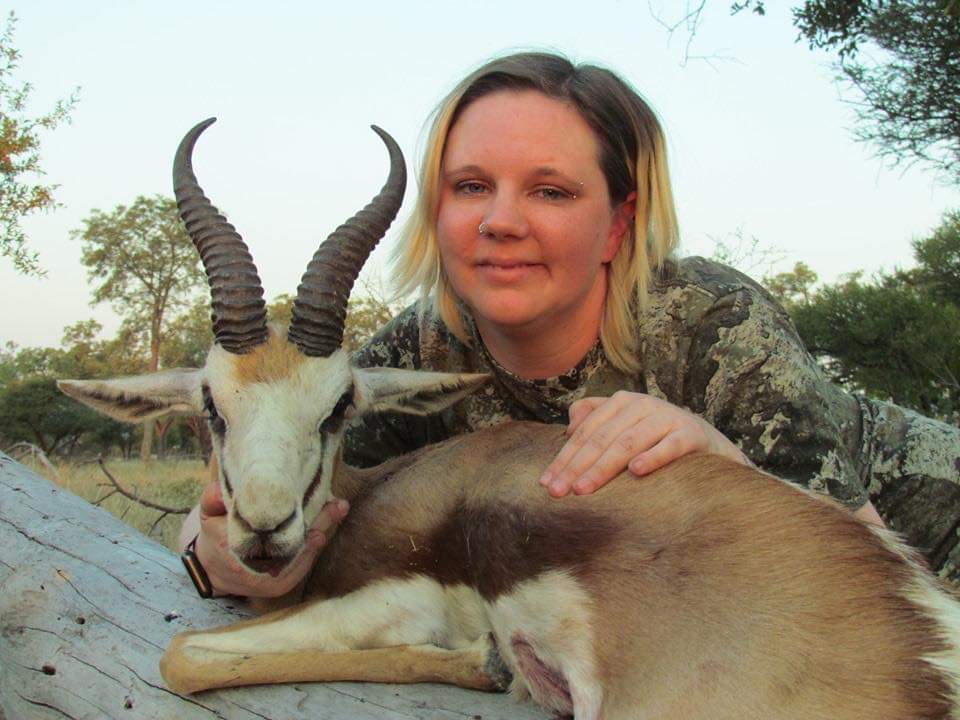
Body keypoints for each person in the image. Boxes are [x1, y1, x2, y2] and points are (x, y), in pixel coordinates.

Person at [179, 51, 960, 599]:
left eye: (550, 192)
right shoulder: (421, 351)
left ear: (618, 225)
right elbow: (285, 488)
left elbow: (875, 579)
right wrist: (208, 552)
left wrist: (721, 461)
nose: (500, 221)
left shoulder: (716, 323)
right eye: (471, 185)